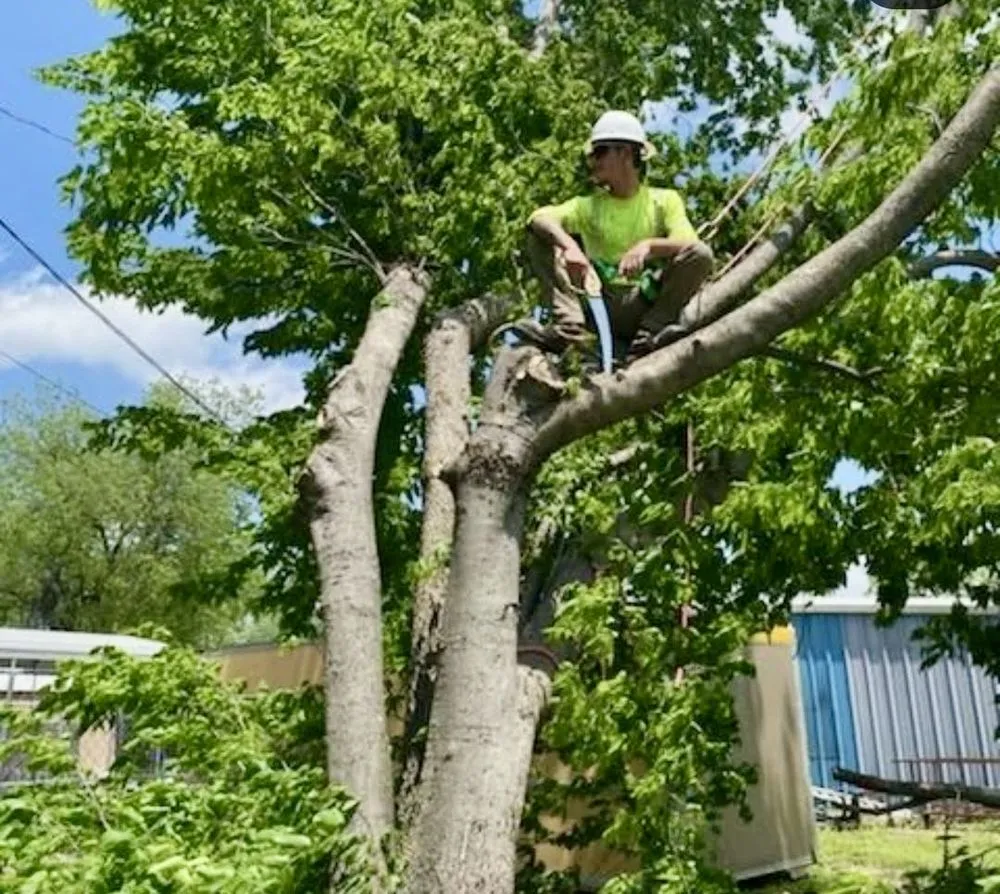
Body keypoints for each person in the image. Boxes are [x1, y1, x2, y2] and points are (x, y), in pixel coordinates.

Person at [516, 110, 714, 365]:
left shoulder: (663, 201)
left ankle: (651, 335)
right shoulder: (587, 206)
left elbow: (691, 244)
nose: (592, 161)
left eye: (599, 152)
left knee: (700, 255)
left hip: (644, 301)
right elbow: (538, 218)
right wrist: (569, 248)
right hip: (599, 300)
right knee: (540, 237)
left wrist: (649, 246)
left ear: (626, 153)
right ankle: (571, 330)